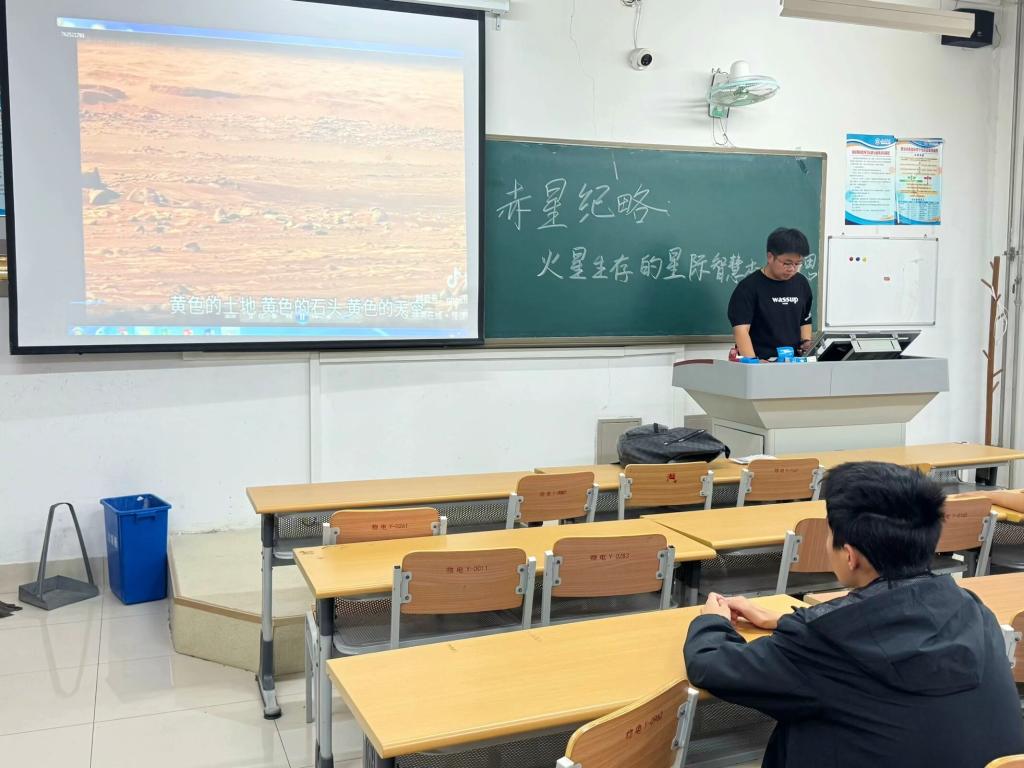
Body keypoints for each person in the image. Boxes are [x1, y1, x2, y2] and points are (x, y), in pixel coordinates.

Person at [683, 462, 1024, 768]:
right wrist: (791, 620)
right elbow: (887, 628)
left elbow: (712, 666)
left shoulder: (822, 642)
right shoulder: (973, 610)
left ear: (850, 555)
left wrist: (712, 621)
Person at [728, 228, 814, 360]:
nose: (792, 269)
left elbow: (805, 319)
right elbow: (741, 330)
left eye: (798, 263)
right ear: (770, 257)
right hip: (762, 360)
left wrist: (805, 344)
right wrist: (754, 362)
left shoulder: (801, 283)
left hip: (794, 362)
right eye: (787, 263)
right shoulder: (748, 287)